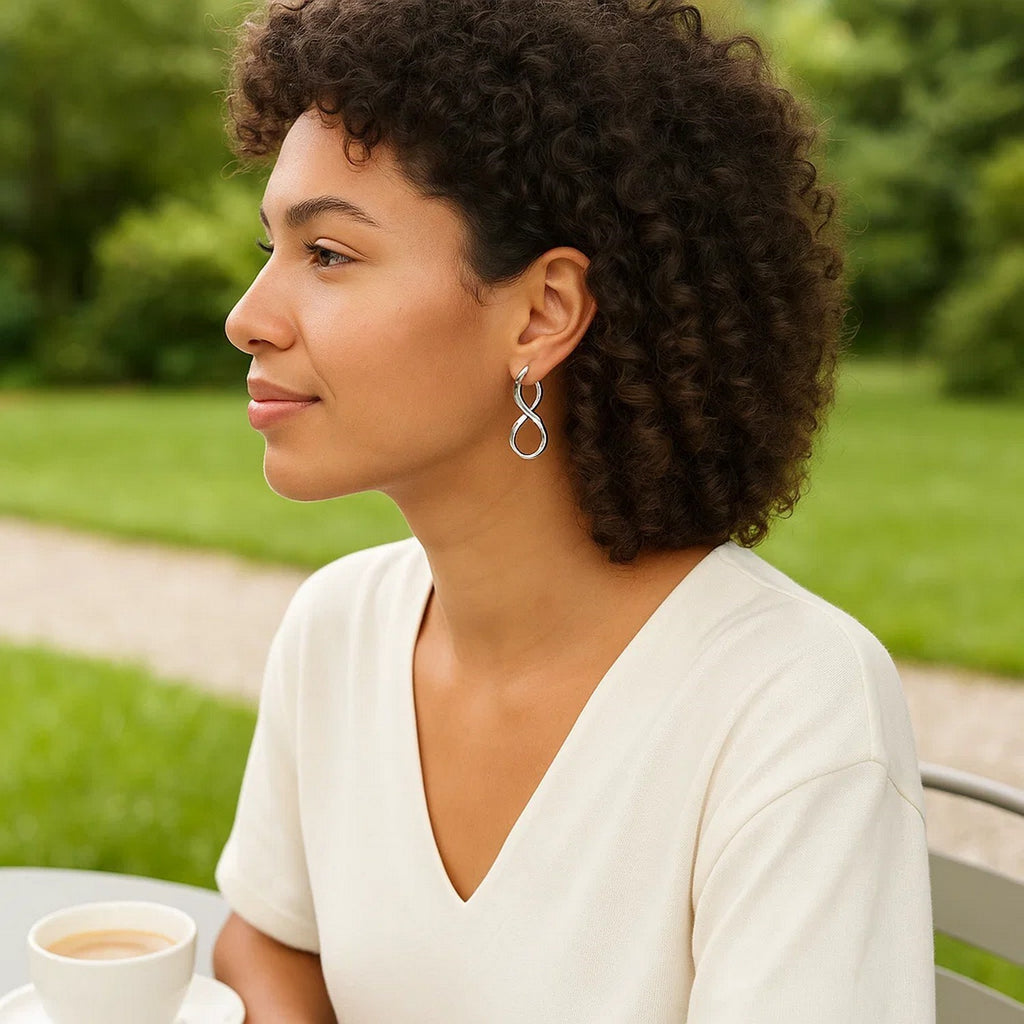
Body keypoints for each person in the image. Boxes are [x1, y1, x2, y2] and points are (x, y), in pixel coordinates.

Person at [210, 0, 935, 1020]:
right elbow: (267, 942)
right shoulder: (336, 627)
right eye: (270, 248)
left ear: (543, 313)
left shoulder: (789, 706)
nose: (247, 317)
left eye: (327, 254)